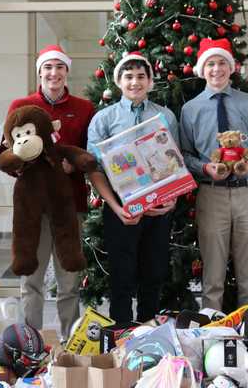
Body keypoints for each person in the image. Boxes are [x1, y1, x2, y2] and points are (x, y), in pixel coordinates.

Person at [179, 38, 248, 310]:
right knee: (213, 275)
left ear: (231, 67)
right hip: (212, 196)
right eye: (210, 63)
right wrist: (205, 167)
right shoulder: (191, 110)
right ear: (202, 69)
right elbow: (184, 155)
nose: (216, 69)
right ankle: (212, 331)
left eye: (222, 62)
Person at [7, 45, 95, 342]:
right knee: (30, 280)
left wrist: (75, 166)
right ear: (39, 73)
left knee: (69, 281)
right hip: (32, 209)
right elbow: (8, 151)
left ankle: (70, 340)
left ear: (67, 72)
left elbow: (91, 154)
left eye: (59, 67)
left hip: (70, 207)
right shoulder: (22, 105)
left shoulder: (84, 108)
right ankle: (30, 341)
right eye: (48, 68)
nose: (53, 73)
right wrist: (19, 165)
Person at [87, 52, 177, 323]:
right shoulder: (104, 119)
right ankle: (121, 334)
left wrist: (170, 201)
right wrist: (116, 207)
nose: (135, 82)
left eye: (141, 76)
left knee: (154, 273)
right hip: (119, 207)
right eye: (129, 77)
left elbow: (175, 161)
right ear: (118, 82)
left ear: (150, 81)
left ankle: (150, 331)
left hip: (160, 207)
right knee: (121, 275)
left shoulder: (166, 116)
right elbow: (94, 169)